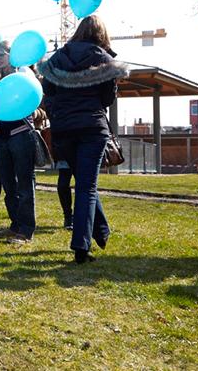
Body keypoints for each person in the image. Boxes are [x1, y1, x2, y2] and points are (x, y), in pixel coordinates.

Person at [39, 15, 128, 264]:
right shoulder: (105, 59)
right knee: (87, 186)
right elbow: (107, 100)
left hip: (64, 129)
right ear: (102, 34)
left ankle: (101, 230)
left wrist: (59, 112)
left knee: (84, 182)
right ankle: (81, 245)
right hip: (92, 127)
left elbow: (48, 93)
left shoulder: (57, 58)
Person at [0, 41, 39, 244]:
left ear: (12, 54)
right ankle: (16, 224)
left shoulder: (23, 75)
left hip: (21, 135)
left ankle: (26, 229)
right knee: (9, 185)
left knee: (24, 184)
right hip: (2, 138)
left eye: (1, 55)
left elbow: (32, 102)